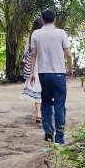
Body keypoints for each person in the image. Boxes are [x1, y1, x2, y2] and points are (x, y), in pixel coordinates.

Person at [28, 8, 72, 144]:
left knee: (46, 103)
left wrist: (31, 73)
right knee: (59, 105)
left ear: (42, 20)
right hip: (59, 73)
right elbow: (68, 54)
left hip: (43, 74)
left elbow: (33, 54)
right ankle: (59, 138)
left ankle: (48, 129)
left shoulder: (35, 34)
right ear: (55, 20)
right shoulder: (61, 33)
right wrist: (70, 68)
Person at [21, 17, 43, 123]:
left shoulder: (31, 36)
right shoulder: (45, 36)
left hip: (34, 65)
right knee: (44, 88)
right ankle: (42, 112)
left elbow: (27, 52)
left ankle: (38, 113)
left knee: (36, 87)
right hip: (44, 64)